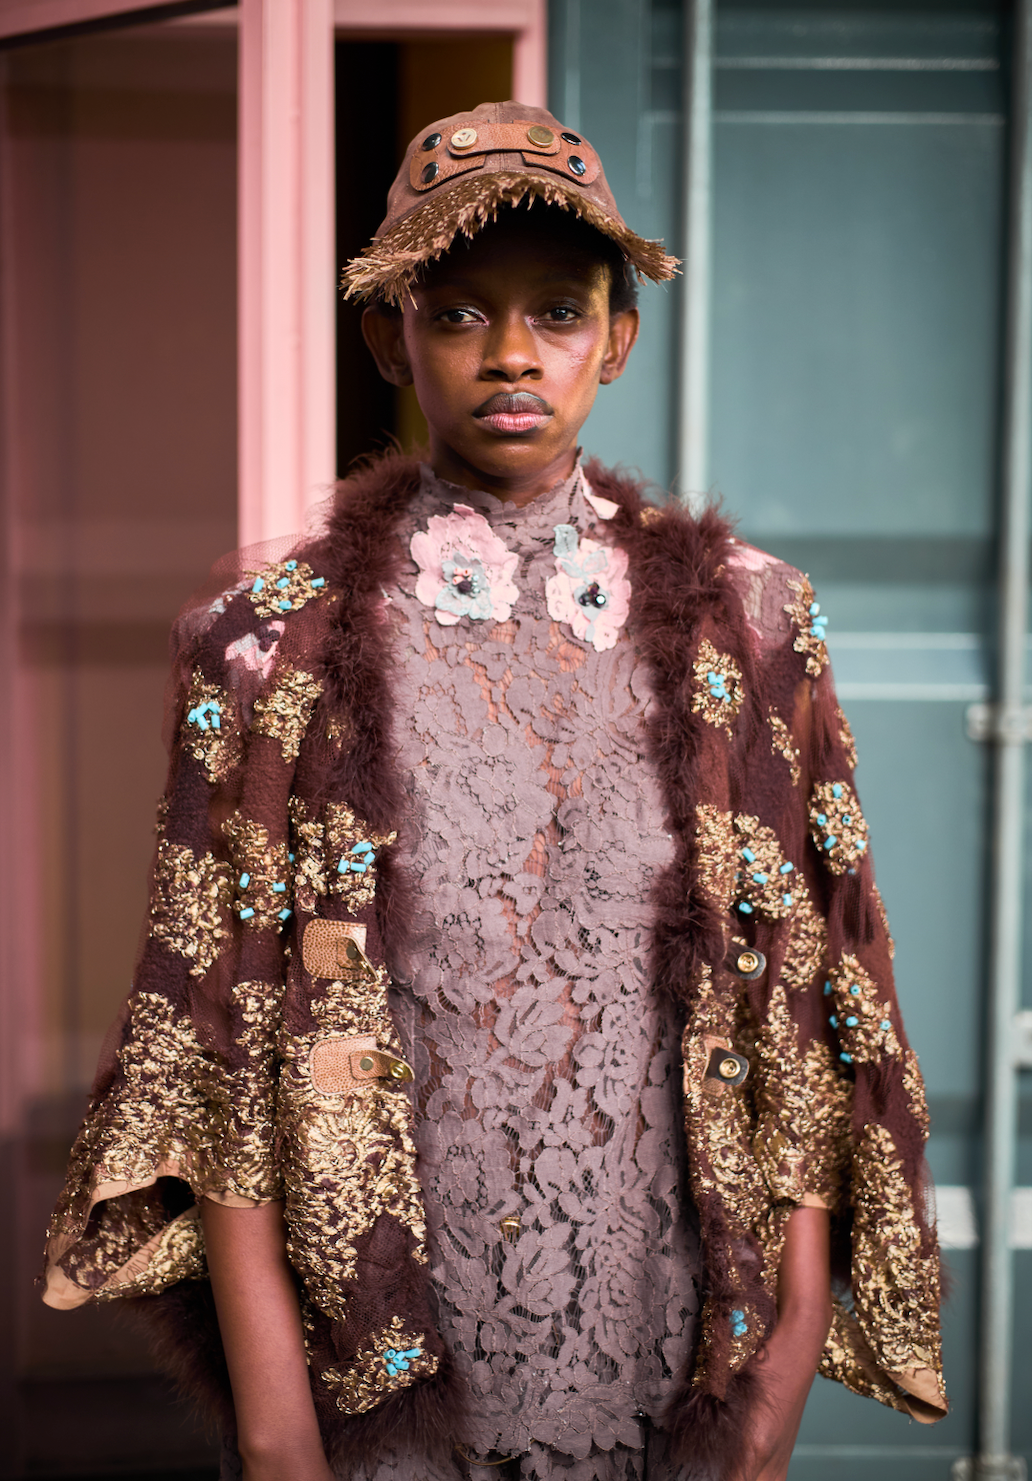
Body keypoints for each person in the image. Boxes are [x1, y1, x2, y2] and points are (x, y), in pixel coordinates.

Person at [42, 102, 947, 1481]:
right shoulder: (266, 641)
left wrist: (784, 1355)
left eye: (559, 313)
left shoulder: (750, 627)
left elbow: (805, 999)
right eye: (459, 313)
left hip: (674, 1322)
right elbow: (218, 1043)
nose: (513, 353)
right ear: (387, 337)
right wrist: (281, 1430)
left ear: (619, 339)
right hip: (382, 1342)